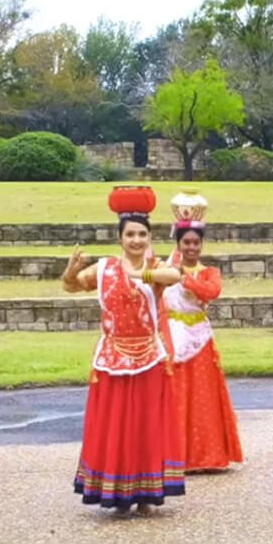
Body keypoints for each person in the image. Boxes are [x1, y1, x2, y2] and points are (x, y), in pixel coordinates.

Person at [62, 185, 185, 513]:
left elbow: (176, 275)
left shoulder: (156, 267)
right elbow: (72, 285)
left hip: (148, 357)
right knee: (116, 425)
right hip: (113, 356)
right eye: (130, 234)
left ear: (149, 237)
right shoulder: (105, 268)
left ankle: (145, 492)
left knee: (146, 424)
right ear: (120, 238)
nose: (136, 240)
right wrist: (70, 271)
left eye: (142, 234)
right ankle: (117, 490)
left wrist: (139, 272)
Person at [164, 190, 243, 473]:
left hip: (199, 337)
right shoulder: (166, 269)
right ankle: (174, 453)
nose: (191, 247)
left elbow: (212, 291)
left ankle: (205, 454)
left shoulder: (209, 272)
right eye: (186, 242)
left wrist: (184, 277)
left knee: (202, 397)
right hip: (173, 335)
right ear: (178, 243)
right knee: (175, 393)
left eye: (196, 243)